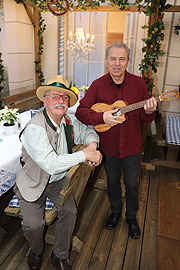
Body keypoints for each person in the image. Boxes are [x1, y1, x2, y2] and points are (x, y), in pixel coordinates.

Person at [13, 75, 102, 270]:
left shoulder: (67, 121)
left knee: (69, 211)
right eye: (55, 96)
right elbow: (51, 164)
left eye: (64, 97)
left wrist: (93, 146)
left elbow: (89, 133)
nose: (60, 101)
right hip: (33, 181)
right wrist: (84, 154)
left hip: (57, 180)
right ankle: (36, 251)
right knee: (34, 225)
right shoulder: (35, 128)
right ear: (44, 100)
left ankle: (60, 255)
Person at [75, 41, 157, 239]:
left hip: (132, 146)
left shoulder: (139, 84)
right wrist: (101, 117)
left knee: (131, 184)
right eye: (113, 58)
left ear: (128, 61)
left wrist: (150, 111)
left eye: (122, 59)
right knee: (112, 182)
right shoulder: (98, 84)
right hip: (108, 147)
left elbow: (146, 119)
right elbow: (80, 111)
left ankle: (131, 218)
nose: (117, 63)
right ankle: (115, 212)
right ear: (106, 61)